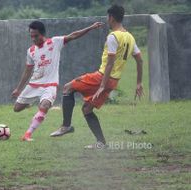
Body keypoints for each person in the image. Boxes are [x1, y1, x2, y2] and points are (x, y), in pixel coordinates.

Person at [50, 5, 144, 149]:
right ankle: (101, 143)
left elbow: (110, 63)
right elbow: (140, 60)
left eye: (108, 17)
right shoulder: (130, 37)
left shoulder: (113, 36)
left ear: (111, 17)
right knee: (87, 109)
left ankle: (66, 126)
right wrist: (138, 83)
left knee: (68, 88)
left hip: (102, 78)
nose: (107, 20)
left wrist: (101, 85)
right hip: (113, 82)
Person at [12, 20, 104, 141]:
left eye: (36, 36)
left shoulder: (55, 42)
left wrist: (91, 27)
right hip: (34, 84)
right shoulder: (31, 51)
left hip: (50, 85)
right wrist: (19, 89)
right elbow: (27, 71)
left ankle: (27, 134)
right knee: (16, 108)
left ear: (43, 34)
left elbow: (73, 35)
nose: (33, 39)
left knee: (44, 106)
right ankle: (31, 102)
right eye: (31, 36)